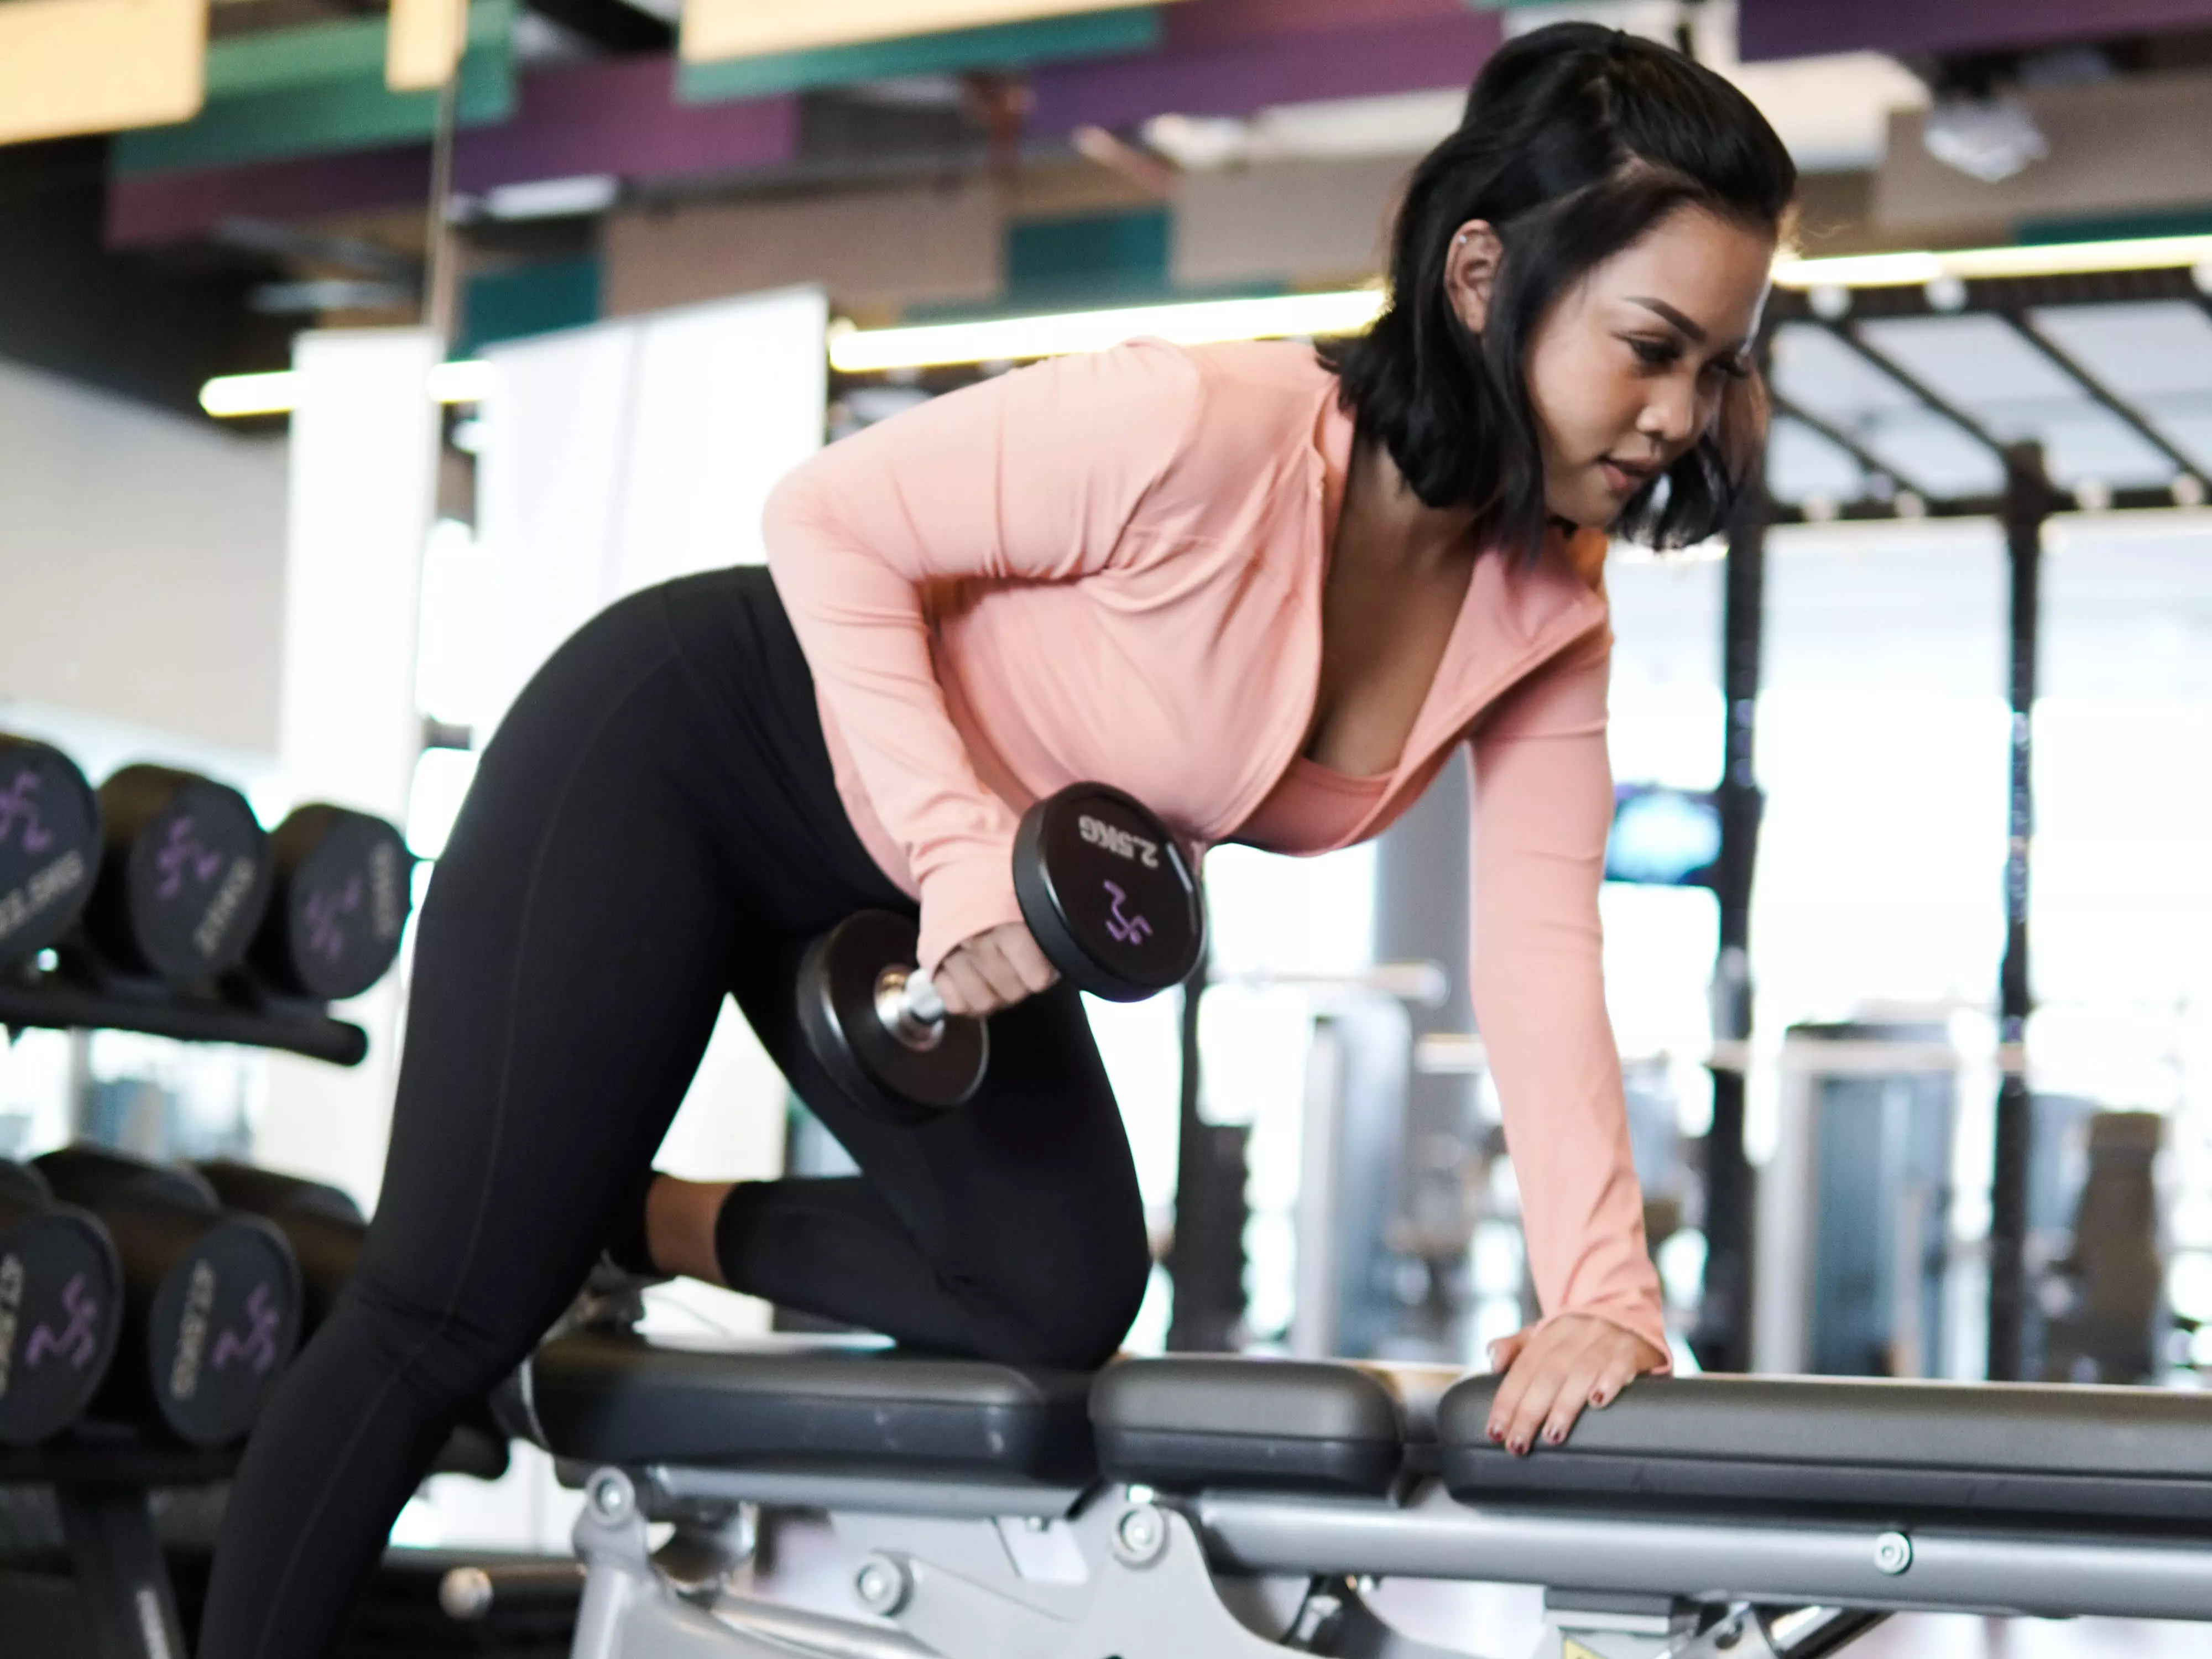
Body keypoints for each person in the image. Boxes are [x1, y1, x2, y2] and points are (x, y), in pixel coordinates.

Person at [198, 23, 1794, 1657]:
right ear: (1482, 275)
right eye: (1652, 346)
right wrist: (959, 849)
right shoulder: (1206, 428)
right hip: (704, 744)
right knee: (447, 1309)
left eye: (1719, 366)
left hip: (924, 899)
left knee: (1058, 1295)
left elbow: (1537, 954)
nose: (1680, 413)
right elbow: (826, 518)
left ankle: (642, 1217)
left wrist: (1606, 1297)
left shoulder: (1548, 616)